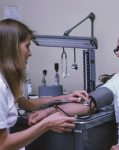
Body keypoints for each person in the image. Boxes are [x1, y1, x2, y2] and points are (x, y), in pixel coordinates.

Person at [0, 18, 89, 150]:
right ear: (12, 48)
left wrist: (64, 97)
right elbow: (2, 145)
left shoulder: (6, 80)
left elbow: (28, 104)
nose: (30, 53)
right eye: (27, 46)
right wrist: (46, 124)